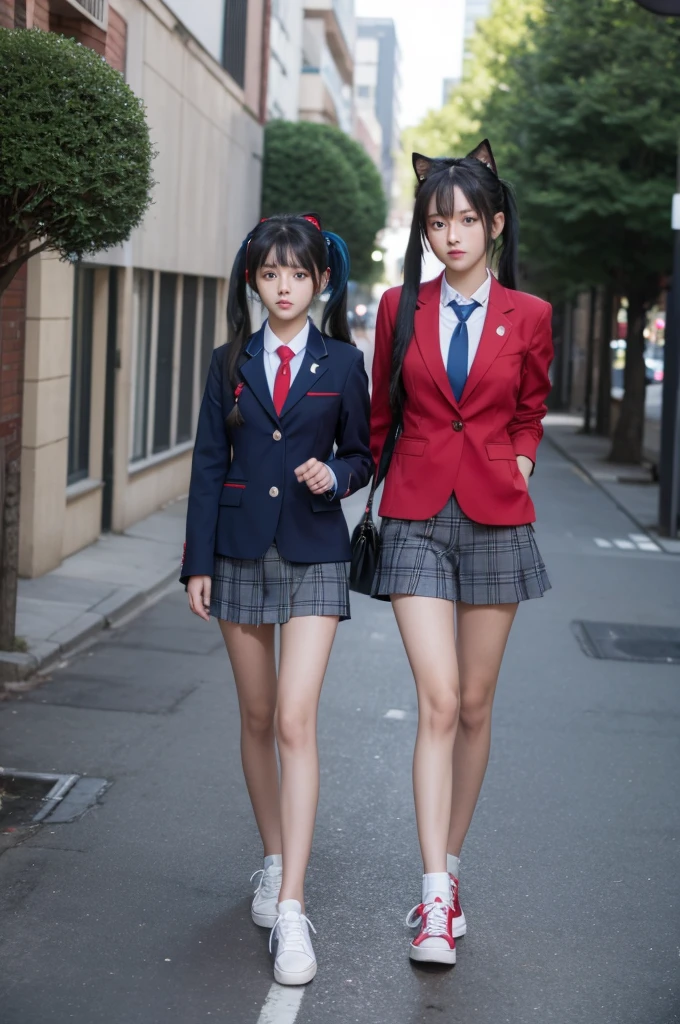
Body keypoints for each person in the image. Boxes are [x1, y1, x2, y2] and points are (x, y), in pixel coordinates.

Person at [370, 141, 552, 965]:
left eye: (466, 221)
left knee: (476, 704)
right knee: (438, 698)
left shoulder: (531, 314)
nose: (450, 235)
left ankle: (453, 862)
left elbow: (530, 408)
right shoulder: (395, 307)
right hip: (412, 512)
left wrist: (518, 462)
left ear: (495, 226)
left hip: (495, 515)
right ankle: (434, 900)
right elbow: (379, 410)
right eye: (437, 221)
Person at [181, 213, 372, 985]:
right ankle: (272, 858)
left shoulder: (344, 362)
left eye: (298, 273)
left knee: (295, 718)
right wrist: (197, 562)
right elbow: (205, 462)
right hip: (236, 549)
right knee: (257, 718)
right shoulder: (229, 361)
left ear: (321, 280)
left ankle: (292, 905)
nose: (284, 286)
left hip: (315, 550)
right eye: (270, 274)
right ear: (253, 281)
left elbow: (363, 449)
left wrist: (341, 475)